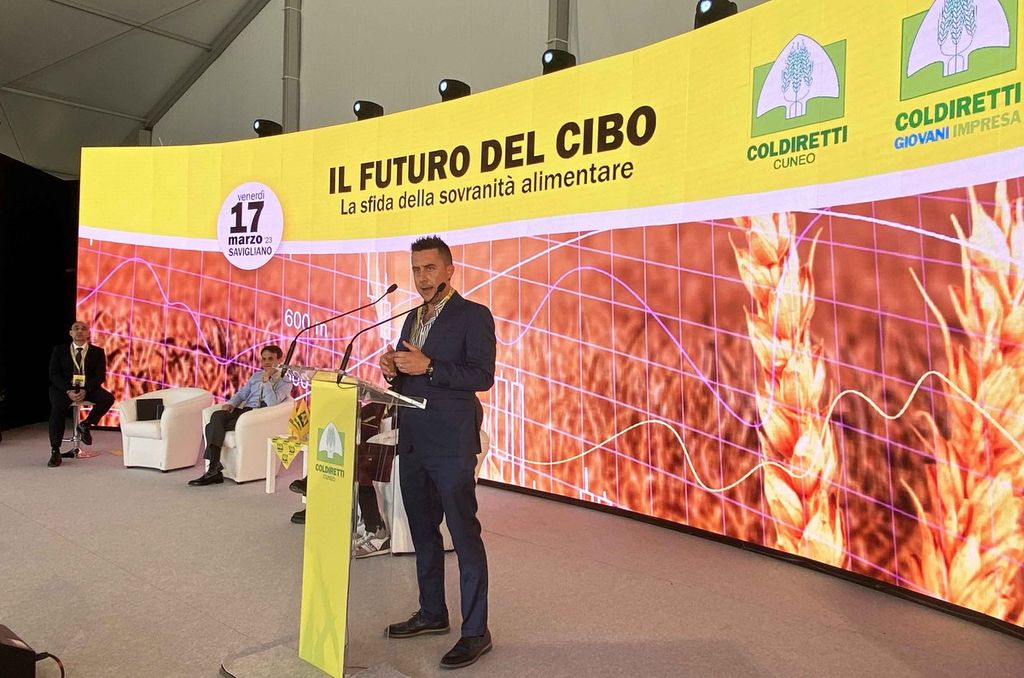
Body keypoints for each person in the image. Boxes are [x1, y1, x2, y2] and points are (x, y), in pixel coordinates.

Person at [379, 235, 495, 670]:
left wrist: (429, 366)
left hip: (451, 442)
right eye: (416, 269)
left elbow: (482, 376)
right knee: (423, 532)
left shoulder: (473, 316)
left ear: (449, 270)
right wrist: (392, 371)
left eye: (430, 268)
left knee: (463, 536)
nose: (422, 277)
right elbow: (408, 378)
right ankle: (432, 612)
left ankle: (476, 631)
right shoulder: (411, 318)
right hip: (413, 440)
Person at [189, 344, 291, 486]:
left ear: (279, 360)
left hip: (258, 416)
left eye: (270, 359)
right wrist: (231, 403)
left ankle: (213, 470)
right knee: (217, 416)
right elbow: (242, 394)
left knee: (210, 427)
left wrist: (267, 381)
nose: (266, 362)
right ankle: (214, 468)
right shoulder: (256, 376)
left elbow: (272, 403)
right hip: (245, 411)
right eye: (263, 359)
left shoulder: (285, 382)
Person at [47, 320, 115, 467]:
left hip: (87, 388)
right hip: (63, 388)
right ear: (70, 333)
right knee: (57, 409)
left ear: (88, 333)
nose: (79, 331)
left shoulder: (97, 352)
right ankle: (55, 450)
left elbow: (100, 376)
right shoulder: (59, 350)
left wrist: (86, 390)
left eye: (83, 329)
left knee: (108, 398)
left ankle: (86, 424)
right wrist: (68, 390)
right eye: (76, 328)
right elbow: (54, 374)